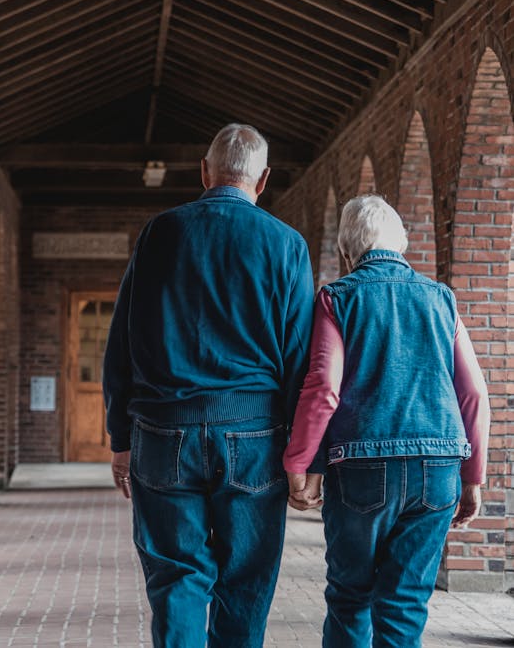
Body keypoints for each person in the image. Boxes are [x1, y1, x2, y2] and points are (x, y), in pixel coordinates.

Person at [102, 123, 315, 647]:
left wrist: (120, 439)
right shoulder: (286, 245)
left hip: (161, 429)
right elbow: (299, 360)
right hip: (254, 433)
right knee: (245, 580)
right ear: (263, 180)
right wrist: (301, 456)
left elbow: (123, 340)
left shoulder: (160, 233)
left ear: (204, 171)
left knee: (176, 577)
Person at [284, 194, 490, 648]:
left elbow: (323, 387)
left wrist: (301, 463)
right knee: (405, 601)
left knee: (350, 595)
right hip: (438, 468)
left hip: (361, 468)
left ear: (345, 251)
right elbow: (473, 392)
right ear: (403, 244)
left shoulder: (337, 298)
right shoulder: (441, 299)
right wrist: (473, 477)